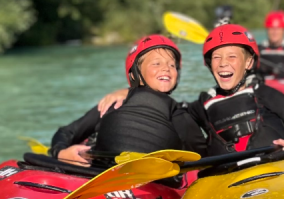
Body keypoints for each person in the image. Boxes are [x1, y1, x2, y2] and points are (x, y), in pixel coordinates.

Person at [98, 25, 284, 157]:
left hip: (277, 169)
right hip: (227, 184)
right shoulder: (202, 106)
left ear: (249, 63)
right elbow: (162, 109)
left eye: (232, 56)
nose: (223, 64)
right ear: (209, 65)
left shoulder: (267, 95)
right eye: (217, 58)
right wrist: (130, 93)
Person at [50, 35, 207, 166]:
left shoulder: (179, 113)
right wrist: (61, 152)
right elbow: (66, 132)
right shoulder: (114, 104)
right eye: (156, 63)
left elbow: (201, 152)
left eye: (172, 65)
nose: (166, 68)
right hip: (100, 170)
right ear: (135, 74)